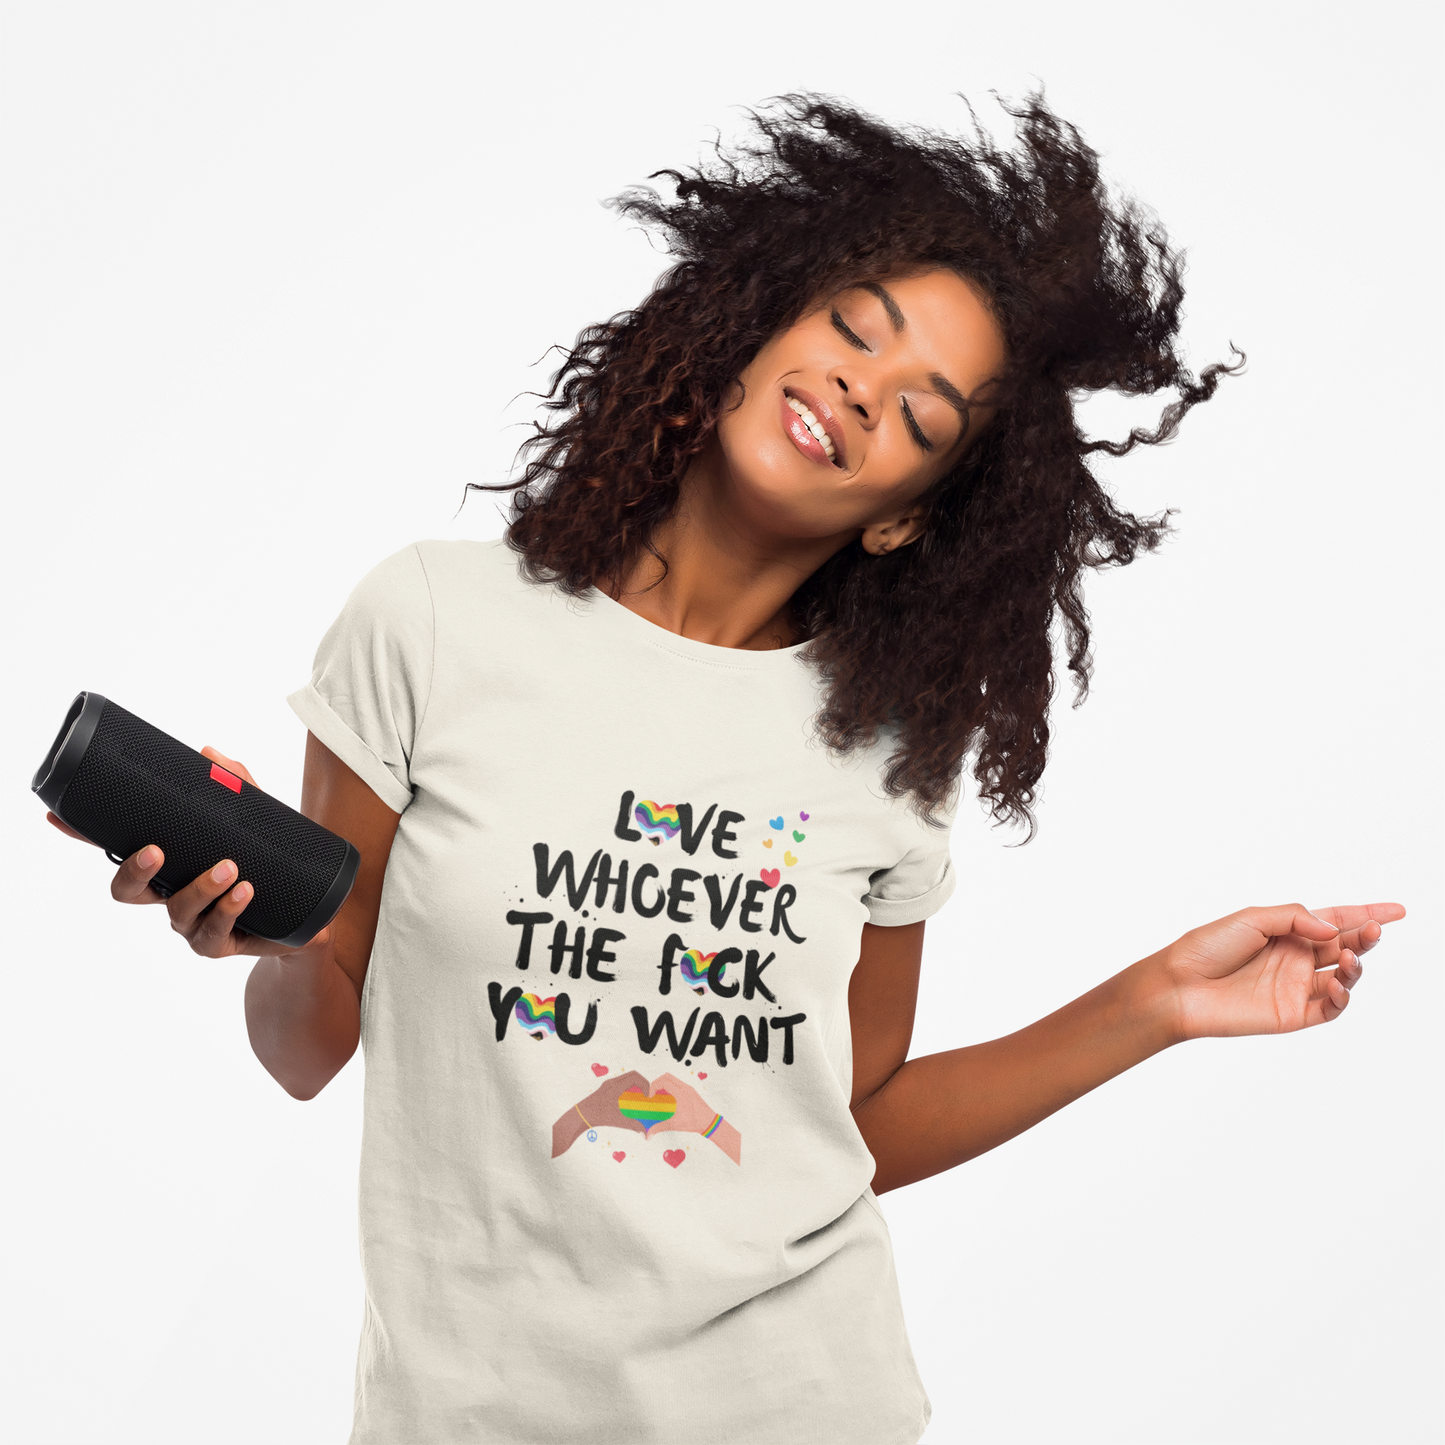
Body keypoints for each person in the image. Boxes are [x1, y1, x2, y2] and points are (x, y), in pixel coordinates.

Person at [46, 94, 1402, 1444]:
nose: (863, 389)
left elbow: (851, 1125)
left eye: (920, 414)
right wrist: (265, 935)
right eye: (851, 330)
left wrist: (1157, 999)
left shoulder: (885, 753)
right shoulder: (429, 624)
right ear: (753, 335)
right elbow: (312, 1049)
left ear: (904, 518)